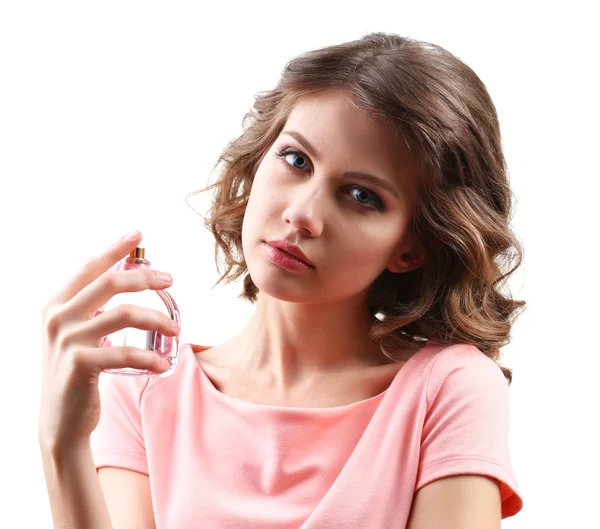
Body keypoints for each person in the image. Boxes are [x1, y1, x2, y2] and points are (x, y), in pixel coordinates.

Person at [38, 31, 526, 528]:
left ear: (413, 246)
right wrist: (62, 444)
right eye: (296, 160)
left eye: (361, 195)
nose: (302, 214)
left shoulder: (445, 390)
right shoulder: (144, 391)